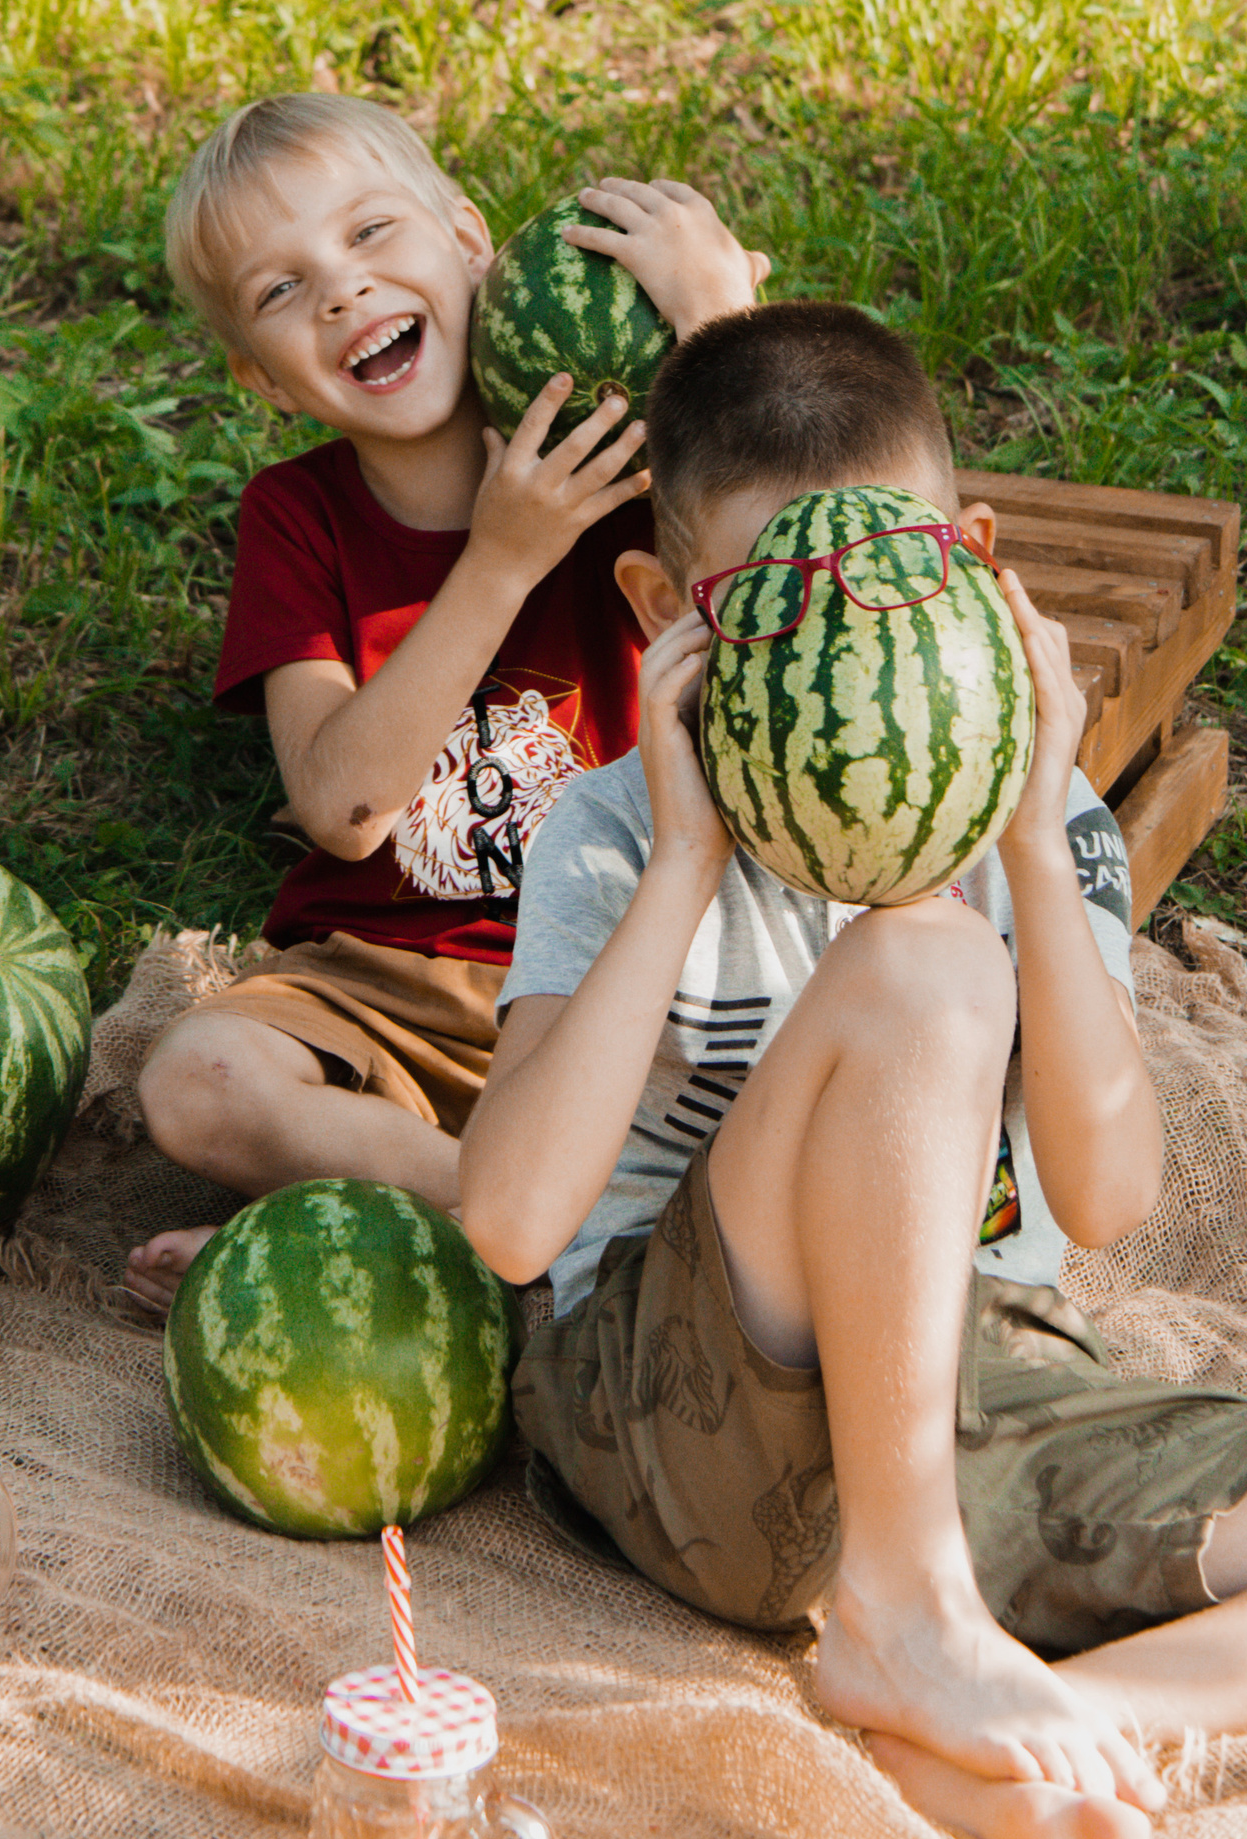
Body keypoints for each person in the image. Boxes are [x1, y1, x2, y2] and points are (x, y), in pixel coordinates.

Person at [456, 300, 1247, 1839]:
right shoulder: (617, 834)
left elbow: (1108, 1197)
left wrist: (1026, 836)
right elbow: (514, 1222)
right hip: (670, 1426)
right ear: (668, 612)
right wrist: (683, 858)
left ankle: (1038, 1723)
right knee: (924, 972)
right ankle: (909, 1614)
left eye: (897, 579)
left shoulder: (1041, 818)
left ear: (975, 564)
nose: (846, 636)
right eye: (775, 605)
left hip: (970, 1395)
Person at [125, 95, 768, 1308]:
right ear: (260, 378)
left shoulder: (631, 454)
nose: (341, 290)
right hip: (389, 987)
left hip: (621, 976)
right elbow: (343, 806)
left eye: (373, 233)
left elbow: (802, 522)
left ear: (471, 240)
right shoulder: (298, 519)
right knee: (195, 1079)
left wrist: (718, 320)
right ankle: (517, 1219)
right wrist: (504, 555)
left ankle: (388, 1239)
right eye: (281, 290)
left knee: (788, 1085)